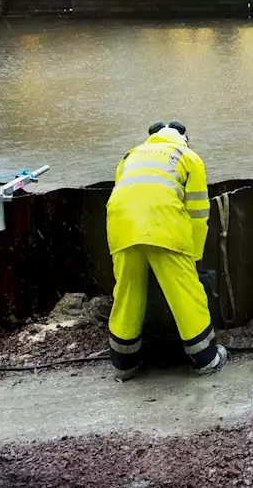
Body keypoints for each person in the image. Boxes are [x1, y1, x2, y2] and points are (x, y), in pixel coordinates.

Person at [106, 120, 227, 381]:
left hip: (122, 229)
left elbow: (122, 195)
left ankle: (123, 364)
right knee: (186, 294)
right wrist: (194, 256)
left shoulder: (131, 155)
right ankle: (205, 359)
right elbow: (197, 212)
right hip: (164, 229)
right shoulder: (188, 157)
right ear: (184, 137)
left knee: (127, 293)